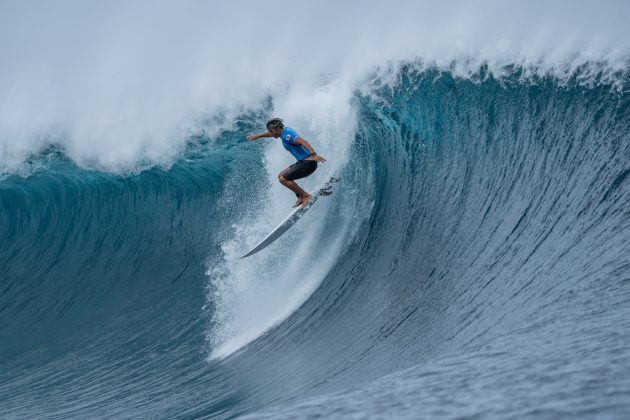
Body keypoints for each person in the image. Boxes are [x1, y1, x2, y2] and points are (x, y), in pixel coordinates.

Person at [247, 118, 326, 208]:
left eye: (271, 131)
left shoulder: (287, 135)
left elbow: (303, 142)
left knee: (283, 179)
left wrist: (314, 154)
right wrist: (257, 136)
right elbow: (269, 133)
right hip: (302, 162)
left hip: (308, 164)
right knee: (280, 175)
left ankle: (306, 196)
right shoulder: (282, 132)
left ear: (276, 129)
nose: (271, 134)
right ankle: (300, 195)